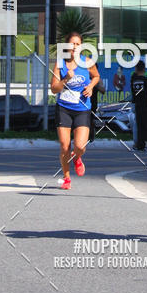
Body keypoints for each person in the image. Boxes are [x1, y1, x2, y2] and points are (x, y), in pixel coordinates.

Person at [50, 32, 99, 190]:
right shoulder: (60, 64)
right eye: (72, 44)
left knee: (80, 145)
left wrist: (91, 87)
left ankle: (77, 157)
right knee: (65, 146)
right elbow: (53, 89)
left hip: (82, 108)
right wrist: (65, 79)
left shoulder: (87, 62)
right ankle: (66, 178)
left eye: (78, 44)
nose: (75, 47)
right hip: (64, 108)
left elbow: (96, 76)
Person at [130, 61, 147, 151]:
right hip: (146, 105)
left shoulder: (133, 80)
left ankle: (140, 145)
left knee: (140, 126)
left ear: (136, 69)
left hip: (137, 105)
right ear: (144, 69)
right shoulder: (146, 80)